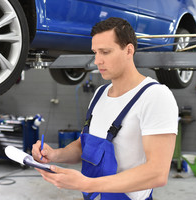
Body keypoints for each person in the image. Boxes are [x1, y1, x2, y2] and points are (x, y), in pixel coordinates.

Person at [32, 17, 178, 200]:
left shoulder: (155, 97)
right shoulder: (100, 93)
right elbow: (85, 146)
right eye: (95, 52)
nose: (97, 61)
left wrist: (86, 183)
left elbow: (157, 173)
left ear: (129, 50)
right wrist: (54, 154)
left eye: (105, 52)